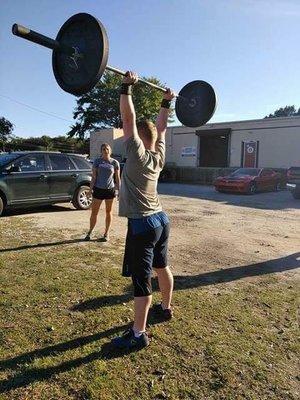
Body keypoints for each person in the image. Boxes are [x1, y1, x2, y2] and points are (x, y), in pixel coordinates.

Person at [112, 71, 176, 350]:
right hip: (161, 220)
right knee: (162, 267)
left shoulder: (136, 153)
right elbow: (162, 128)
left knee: (142, 281)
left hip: (143, 225)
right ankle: (166, 307)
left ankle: (138, 334)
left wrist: (126, 87)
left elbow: (127, 121)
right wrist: (166, 102)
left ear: (138, 136)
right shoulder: (159, 155)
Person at [85, 143, 120, 242]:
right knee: (94, 212)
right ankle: (90, 232)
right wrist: (90, 190)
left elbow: (117, 178)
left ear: (110, 150)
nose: (106, 150)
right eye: (104, 149)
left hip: (110, 190)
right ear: (101, 151)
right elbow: (94, 177)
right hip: (98, 189)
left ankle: (106, 233)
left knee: (109, 212)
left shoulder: (115, 163)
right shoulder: (97, 161)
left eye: (107, 149)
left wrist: (119, 191)